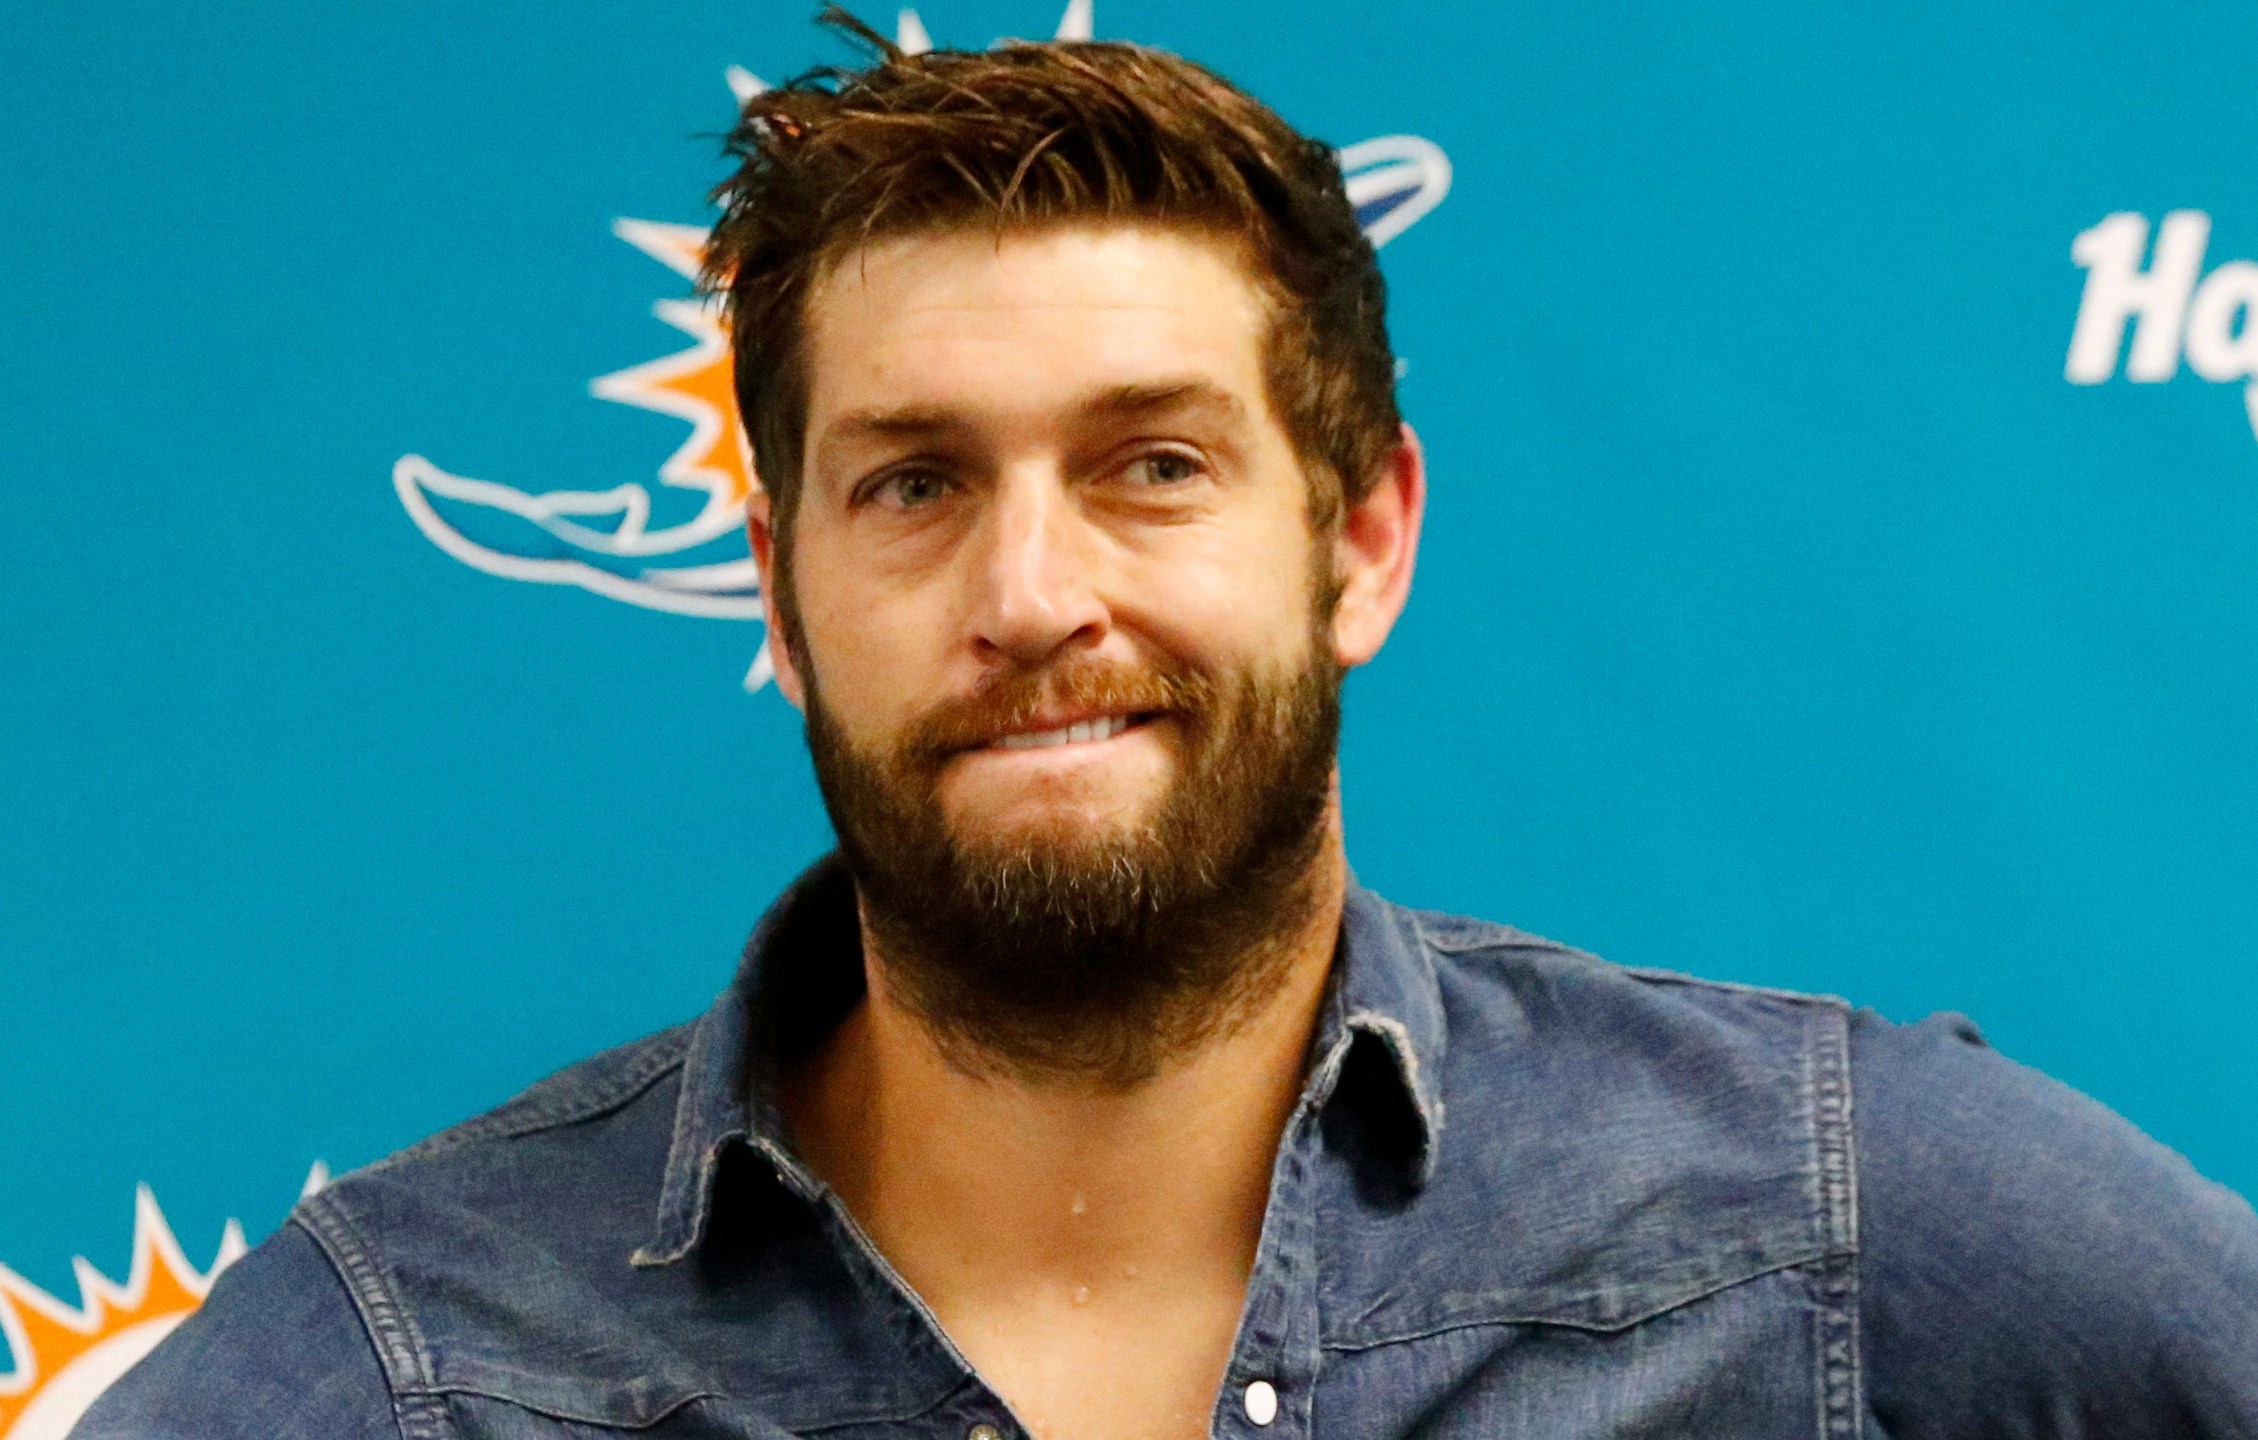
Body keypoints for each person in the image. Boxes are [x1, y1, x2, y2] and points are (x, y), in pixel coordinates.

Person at [76, 14, 2258, 1440]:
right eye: (916, 482)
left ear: (1364, 533)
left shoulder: (1832, 1226)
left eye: (1151, 465)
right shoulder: (403, 1366)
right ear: (781, 591)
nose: (1034, 598)